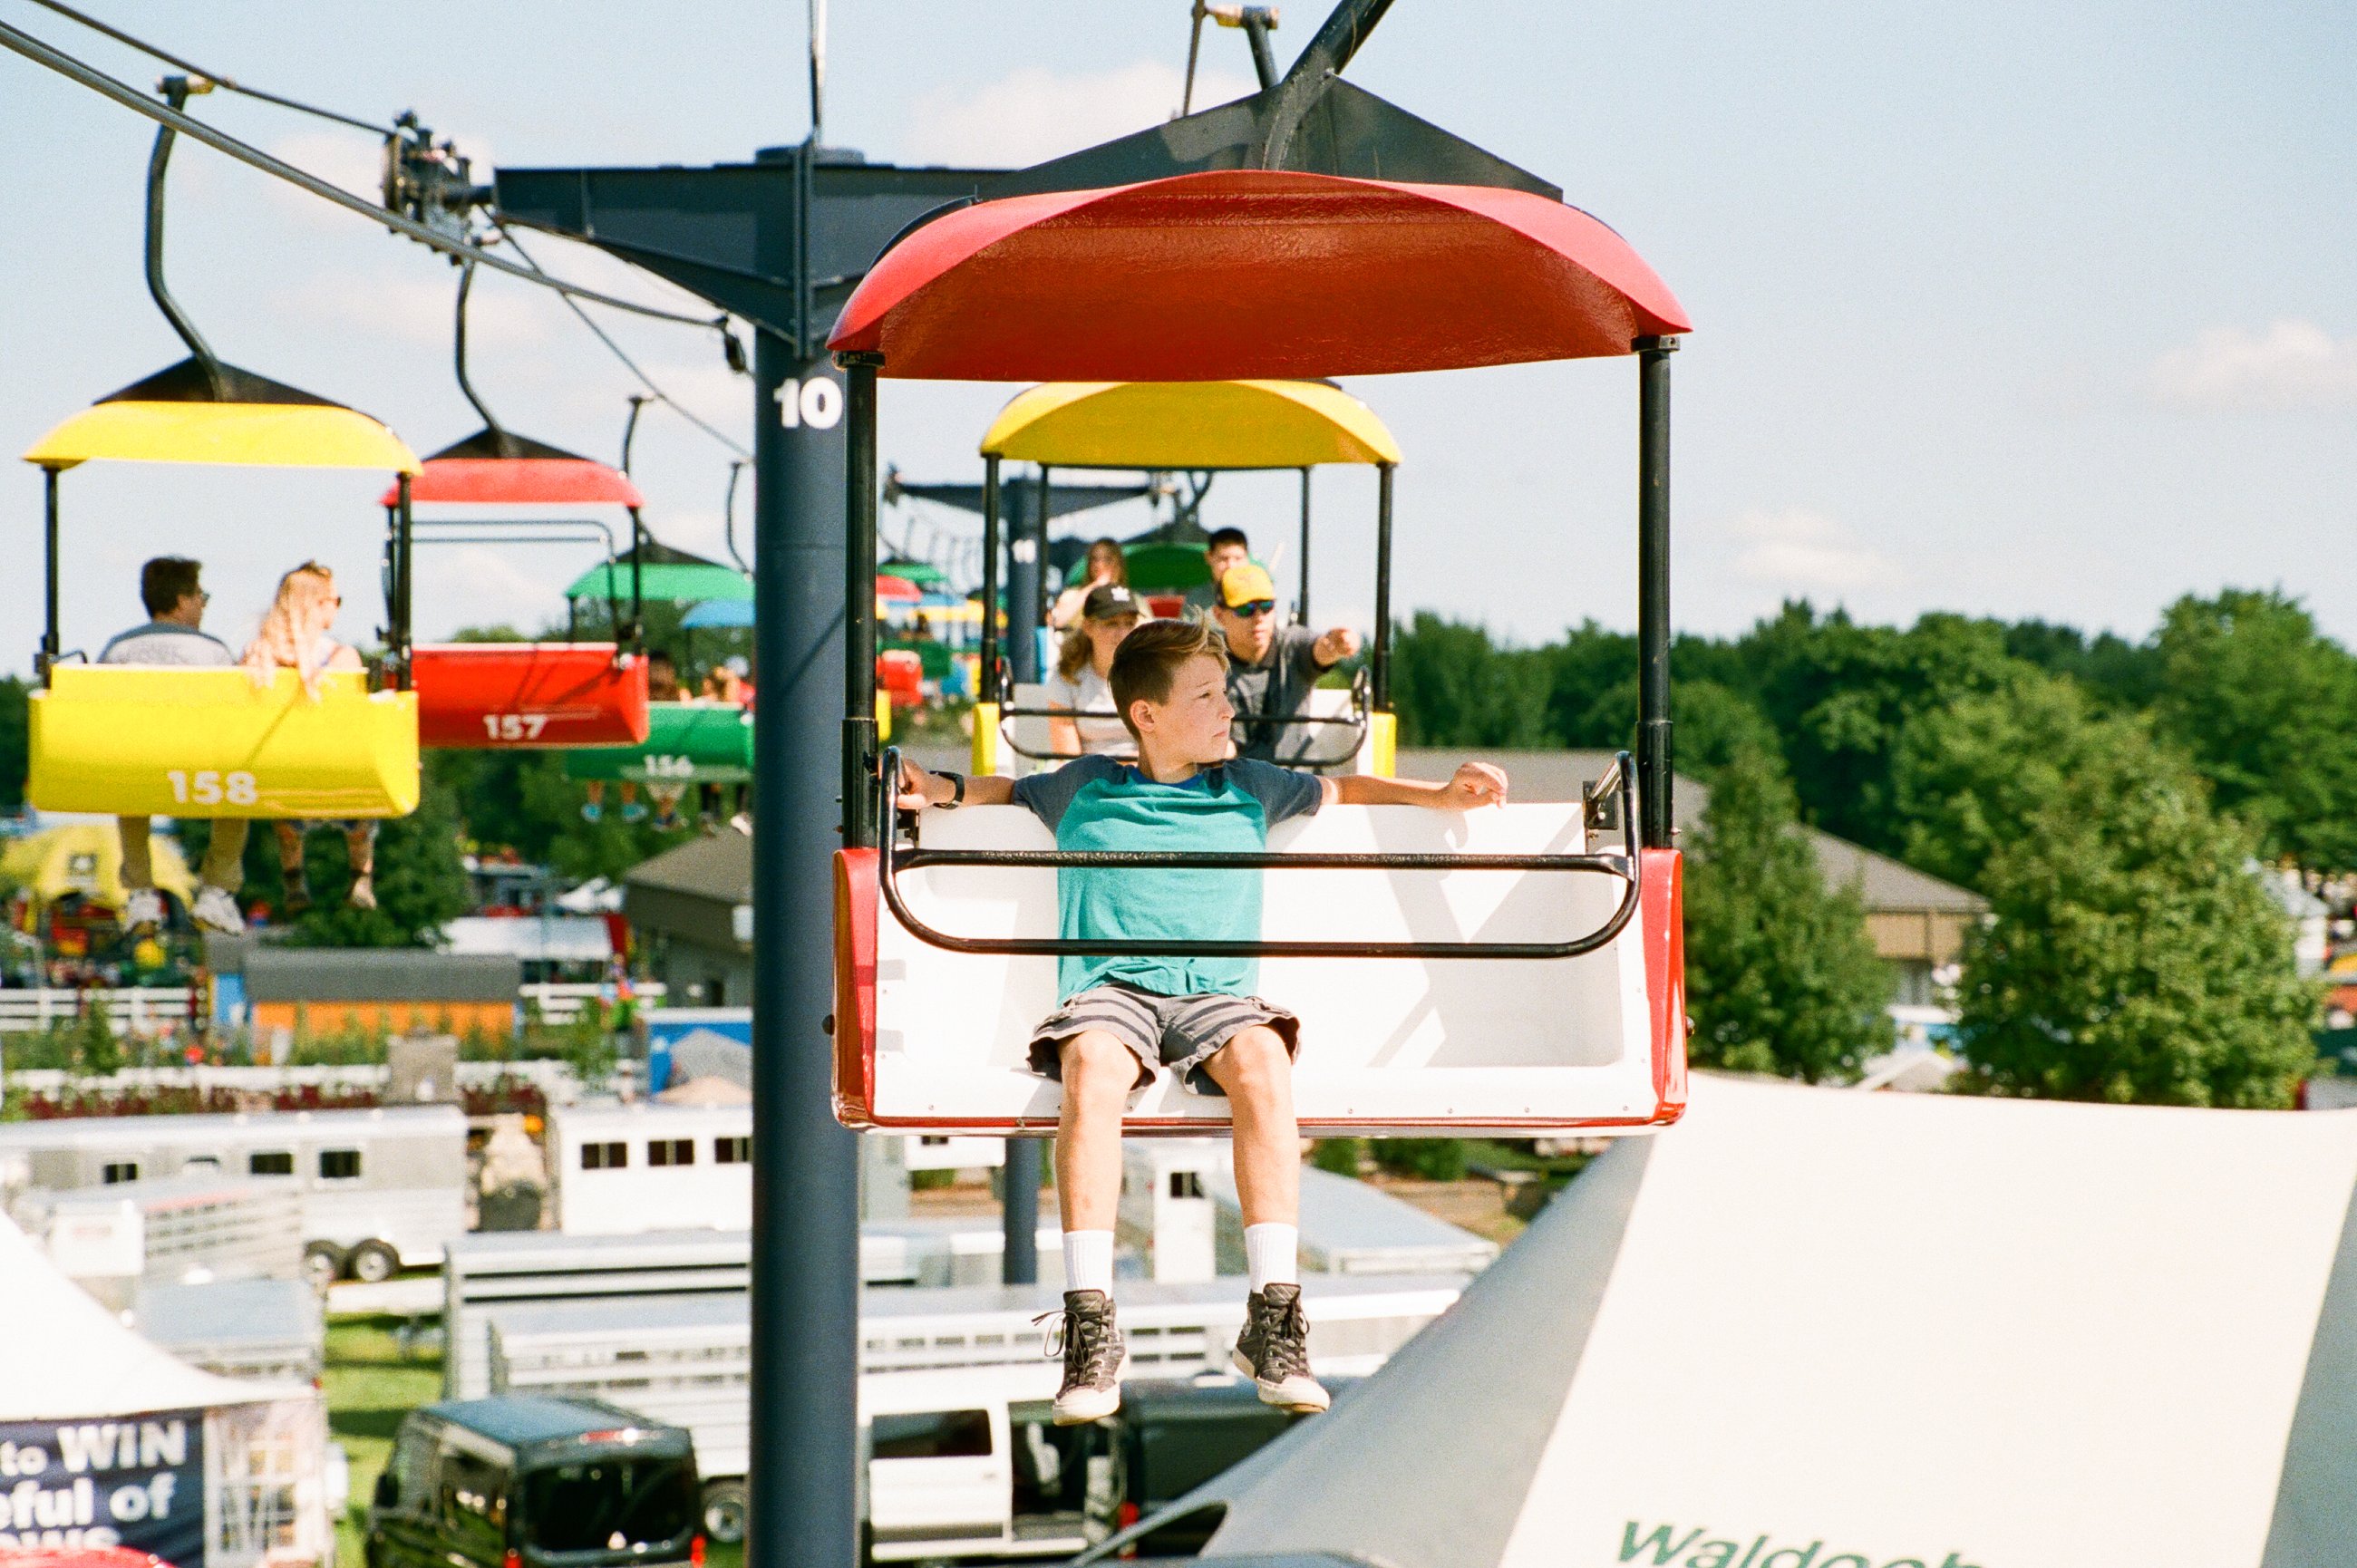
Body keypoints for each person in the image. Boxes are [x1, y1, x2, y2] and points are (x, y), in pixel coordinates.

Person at [893, 618, 1508, 1424]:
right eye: (1209, 697)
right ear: (1146, 715)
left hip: (1215, 990)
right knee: (1095, 1067)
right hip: (1113, 986)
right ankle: (1088, 1320)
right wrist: (930, 786)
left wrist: (1438, 795)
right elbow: (998, 793)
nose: (1228, 712)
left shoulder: (1250, 785)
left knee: (1262, 1060)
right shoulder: (1084, 785)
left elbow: (1346, 790)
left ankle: (1276, 1317)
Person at [101, 557, 247, 934]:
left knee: (127, 781)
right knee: (243, 783)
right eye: (202, 596)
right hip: (202, 766)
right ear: (182, 600)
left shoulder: (118, 650)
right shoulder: (213, 652)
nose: (203, 605)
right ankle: (217, 889)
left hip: (140, 767)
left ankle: (141, 893)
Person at [241, 563, 378, 915]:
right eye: (336, 600)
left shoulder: (258, 656)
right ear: (318, 604)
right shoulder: (341, 657)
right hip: (337, 778)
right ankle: (361, 875)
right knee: (363, 816)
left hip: (281, 778)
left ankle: (294, 880)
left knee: (287, 817)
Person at [1211, 563, 1362, 764]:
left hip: (1296, 779)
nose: (1259, 618)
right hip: (1232, 784)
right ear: (1219, 616)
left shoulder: (1292, 645)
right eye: (1245, 609)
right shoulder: (1207, 660)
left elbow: (1318, 650)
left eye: (1266, 606)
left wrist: (1335, 645)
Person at [1045, 584, 1143, 759]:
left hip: (1144, 778)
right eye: (1111, 624)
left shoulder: (1151, 675)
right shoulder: (1065, 677)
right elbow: (1068, 760)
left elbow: (1163, 749)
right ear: (1087, 627)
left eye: (1129, 623)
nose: (1122, 633)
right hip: (1088, 780)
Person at [1049, 538, 1130, 631]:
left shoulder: (1132, 599)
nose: (1099, 565)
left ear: (1118, 565)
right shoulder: (1071, 595)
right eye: (1095, 559)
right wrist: (1094, 587)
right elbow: (1057, 621)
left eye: (1107, 559)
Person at [1178, 528, 1252, 621]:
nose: (1231, 566)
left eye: (1238, 559)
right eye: (1223, 559)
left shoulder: (1258, 595)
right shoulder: (1196, 601)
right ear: (1209, 557)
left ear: (1247, 558)